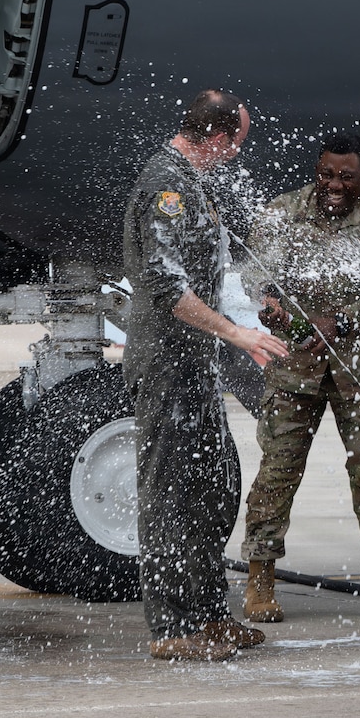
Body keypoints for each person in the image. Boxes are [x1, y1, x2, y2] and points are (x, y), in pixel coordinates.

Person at [122, 89, 289, 662]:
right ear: (217, 138)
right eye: (235, 143)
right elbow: (168, 287)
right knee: (170, 495)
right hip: (167, 366)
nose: (235, 154)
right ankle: (171, 628)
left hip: (194, 366)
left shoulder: (192, 185)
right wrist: (237, 334)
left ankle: (211, 616)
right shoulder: (165, 187)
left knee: (212, 490)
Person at [240, 131, 360, 622]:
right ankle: (260, 579)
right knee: (278, 470)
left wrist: (343, 317)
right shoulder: (284, 210)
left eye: (346, 176)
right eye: (326, 174)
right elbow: (255, 272)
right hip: (294, 367)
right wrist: (273, 305)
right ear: (316, 170)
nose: (335, 185)